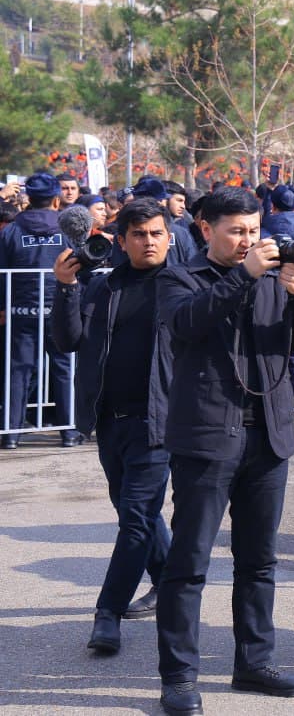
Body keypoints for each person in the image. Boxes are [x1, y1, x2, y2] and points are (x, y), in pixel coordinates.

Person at [154, 186, 294, 715]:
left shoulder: (273, 277)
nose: (250, 240)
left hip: (267, 435)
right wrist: (243, 274)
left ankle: (254, 661)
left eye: (255, 231)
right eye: (237, 232)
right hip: (207, 436)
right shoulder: (180, 276)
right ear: (207, 229)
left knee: (259, 561)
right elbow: (186, 324)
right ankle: (179, 677)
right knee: (190, 562)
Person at [51, 198, 174, 655]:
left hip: (158, 424)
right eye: (138, 234)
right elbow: (67, 341)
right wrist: (66, 287)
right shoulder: (105, 286)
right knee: (133, 512)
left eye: (156, 233)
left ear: (168, 237)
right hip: (109, 421)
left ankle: (107, 612)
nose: (148, 241)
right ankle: (168, 584)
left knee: (137, 518)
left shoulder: (182, 285)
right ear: (121, 241)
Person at [0, 171, 75, 447]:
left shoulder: (11, 231)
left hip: (21, 311)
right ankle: (68, 431)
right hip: (59, 310)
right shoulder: (67, 230)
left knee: (18, 371)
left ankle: (11, 434)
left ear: (28, 198)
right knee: (64, 369)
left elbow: (1, 272)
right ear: (56, 199)